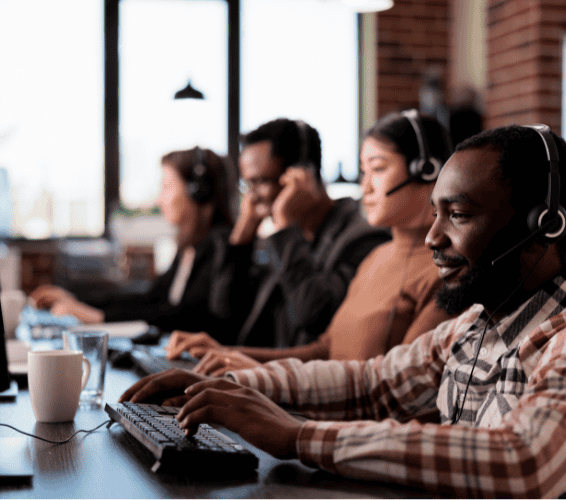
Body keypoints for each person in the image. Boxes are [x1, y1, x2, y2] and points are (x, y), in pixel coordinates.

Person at [121, 124, 566, 498]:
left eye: (459, 215)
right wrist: (227, 387)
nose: (433, 237)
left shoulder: (560, 336)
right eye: (435, 214)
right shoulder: (475, 325)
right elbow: (373, 383)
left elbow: (523, 459)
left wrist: (297, 437)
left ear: (544, 224)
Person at [166, 111, 455, 376]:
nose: (365, 187)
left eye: (377, 169)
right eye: (363, 172)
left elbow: (314, 319)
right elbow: (321, 349)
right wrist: (227, 355)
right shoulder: (376, 257)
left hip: (323, 415)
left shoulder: (368, 243)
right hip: (300, 401)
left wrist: (262, 376)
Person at [201, 118, 389, 349]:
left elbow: (314, 316)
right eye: (247, 185)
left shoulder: (361, 238)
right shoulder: (275, 241)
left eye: (260, 181)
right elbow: (223, 312)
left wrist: (284, 225)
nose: (252, 197)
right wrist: (242, 237)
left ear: (302, 175)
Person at [31, 147, 239, 342]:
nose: (159, 200)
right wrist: (79, 300)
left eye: (167, 187)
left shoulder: (221, 246)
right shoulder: (189, 246)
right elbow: (152, 299)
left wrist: (98, 316)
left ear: (198, 191)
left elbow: (187, 316)